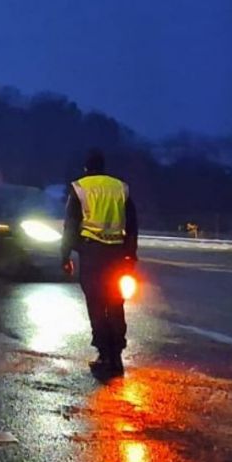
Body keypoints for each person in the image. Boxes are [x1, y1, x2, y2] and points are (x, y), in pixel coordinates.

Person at [61, 148, 138, 379]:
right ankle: (117, 355)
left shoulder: (80, 188)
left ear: (86, 167)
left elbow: (70, 226)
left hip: (92, 254)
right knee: (115, 303)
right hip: (117, 255)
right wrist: (130, 254)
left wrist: (65, 256)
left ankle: (104, 354)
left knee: (96, 304)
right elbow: (132, 225)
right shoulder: (120, 188)